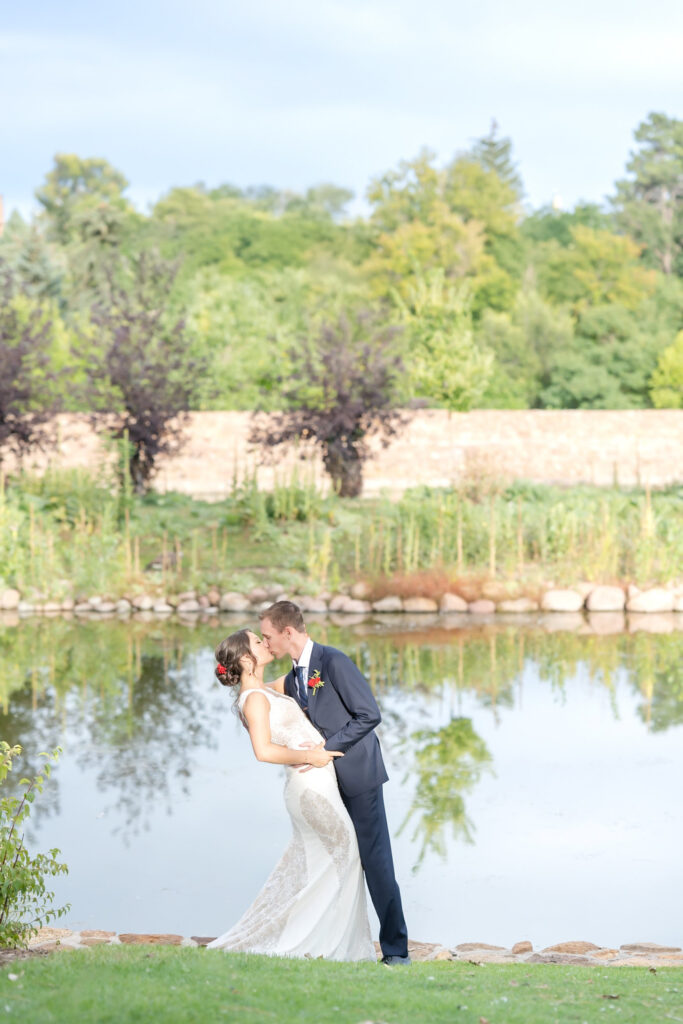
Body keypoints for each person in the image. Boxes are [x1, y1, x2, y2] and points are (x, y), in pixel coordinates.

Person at [206, 628, 376, 962]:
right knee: (345, 852)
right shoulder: (253, 700)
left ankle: (320, 940)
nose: (265, 644)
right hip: (308, 786)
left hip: (320, 782)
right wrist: (309, 756)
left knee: (329, 861)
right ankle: (322, 943)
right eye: (258, 642)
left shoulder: (263, 691)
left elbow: (307, 675)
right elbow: (263, 751)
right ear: (245, 658)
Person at [259, 601, 410, 966]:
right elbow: (265, 696)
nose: (267, 644)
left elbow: (368, 715)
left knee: (376, 864)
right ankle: (333, 941)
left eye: (268, 637)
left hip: (359, 776)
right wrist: (244, 678)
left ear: (288, 632)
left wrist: (327, 748)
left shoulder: (334, 662)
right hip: (326, 786)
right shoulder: (296, 676)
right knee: (335, 862)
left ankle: (396, 951)